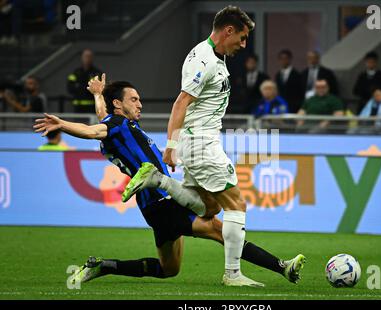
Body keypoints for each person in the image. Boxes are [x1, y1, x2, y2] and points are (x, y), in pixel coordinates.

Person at [34, 76, 306, 287]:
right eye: (134, 99)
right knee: (220, 227)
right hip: (160, 201)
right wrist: (63, 124)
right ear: (119, 104)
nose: (140, 104)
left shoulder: (118, 125)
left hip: (155, 206)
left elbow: (101, 119)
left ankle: (104, 266)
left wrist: (97, 95)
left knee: (169, 270)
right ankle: (282, 266)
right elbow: (93, 130)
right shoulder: (117, 124)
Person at [124, 6, 306, 287]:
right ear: (228, 31)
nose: (244, 45)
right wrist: (171, 145)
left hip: (201, 142)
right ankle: (233, 274)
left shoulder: (215, 59)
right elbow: (181, 102)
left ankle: (158, 180)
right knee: (237, 204)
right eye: (242, 38)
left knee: (207, 208)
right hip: (200, 143)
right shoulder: (205, 60)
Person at [67, 49, 103, 113]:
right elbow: (70, 87)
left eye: (89, 56)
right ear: (82, 58)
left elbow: (99, 89)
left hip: (92, 106)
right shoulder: (76, 72)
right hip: (77, 106)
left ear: (92, 58)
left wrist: (80, 86)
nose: (87, 59)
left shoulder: (96, 73)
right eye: (86, 56)